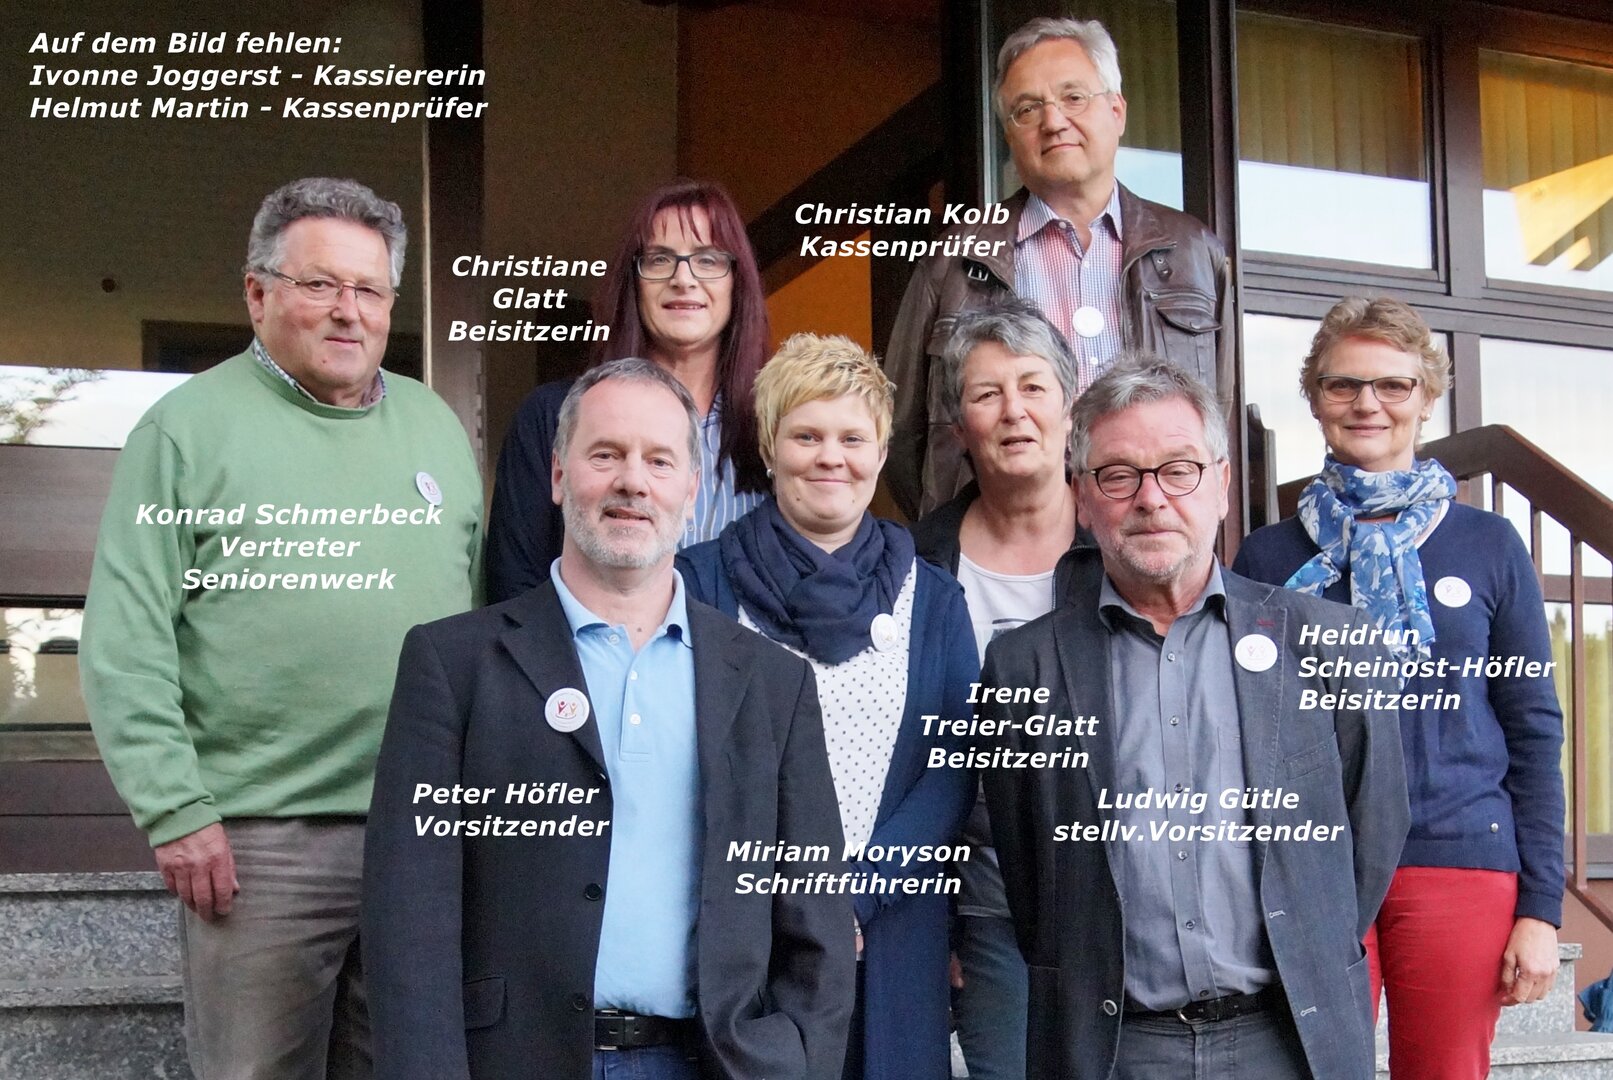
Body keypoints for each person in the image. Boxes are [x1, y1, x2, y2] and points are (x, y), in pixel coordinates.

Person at [80, 177, 483, 1079]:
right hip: (259, 844)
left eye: (369, 289)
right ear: (257, 294)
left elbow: (478, 623)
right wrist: (175, 809)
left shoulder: (434, 426)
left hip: (418, 832)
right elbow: (127, 638)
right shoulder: (184, 432)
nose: (348, 310)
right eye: (320, 284)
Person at [363, 357, 854, 1080]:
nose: (633, 481)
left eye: (659, 460)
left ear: (691, 489)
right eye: (606, 455)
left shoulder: (772, 682)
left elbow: (815, 912)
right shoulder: (453, 665)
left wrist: (795, 1059)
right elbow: (409, 912)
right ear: (559, 475)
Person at [979, 355, 1409, 1080]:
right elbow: (1029, 871)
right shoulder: (1023, 667)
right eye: (1118, 475)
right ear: (1081, 497)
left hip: (1289, 1043)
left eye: (1178, 470)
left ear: (1221, 485)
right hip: (1113, 1052)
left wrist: (1309, 943)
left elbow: (1372, 829)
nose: (1151, 499)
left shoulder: (1328, 643)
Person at [1233, 296, 1565, 1080]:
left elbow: (1531, 728)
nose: (1367, 403)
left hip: (1456, 854)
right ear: (1315, 398)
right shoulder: (1266, 557)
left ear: (1426, 397)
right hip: (1311, 860)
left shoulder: (1488, 545)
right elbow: (1242, 727)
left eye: (1392, 384)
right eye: (1343, 384)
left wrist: (1540, 908)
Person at [677, 334, 976, 1080]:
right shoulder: (697, 586)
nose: (829, 458)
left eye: (852, 438)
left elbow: (954, 765)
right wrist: (797, 903)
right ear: (769, 449)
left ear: (881, 453)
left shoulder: (935, 598)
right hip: (747, 935)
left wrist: (856, 896)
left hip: (893, 931)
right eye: (805, 436)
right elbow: (688, 763)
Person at [885, 15, 1234, 520]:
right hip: (1000, 537)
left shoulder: (1194, 252)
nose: (1053, 121)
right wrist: (966, 526)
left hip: (1146, 528)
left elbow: (1218, 416)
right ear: (1009, 134)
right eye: (1028, 109)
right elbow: (902, 435)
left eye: (1074, 97)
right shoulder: (955, 257)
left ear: (1117, 111)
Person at [910, 298, 1082, 1080]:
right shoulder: (916, 561)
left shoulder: (1122, 540)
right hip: (982, 894)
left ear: (1069, 405)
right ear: (959, 426)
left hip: (1115, 886)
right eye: (987, 394)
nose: (1013, 411)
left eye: (1032, 387)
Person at [485, 179, 770, 602]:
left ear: (737, 282)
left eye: (708, 260)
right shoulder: (550, 417)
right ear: (633, 283)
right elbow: (514, 592)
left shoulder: (774, 428)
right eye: (660, 259)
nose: (683, 278)